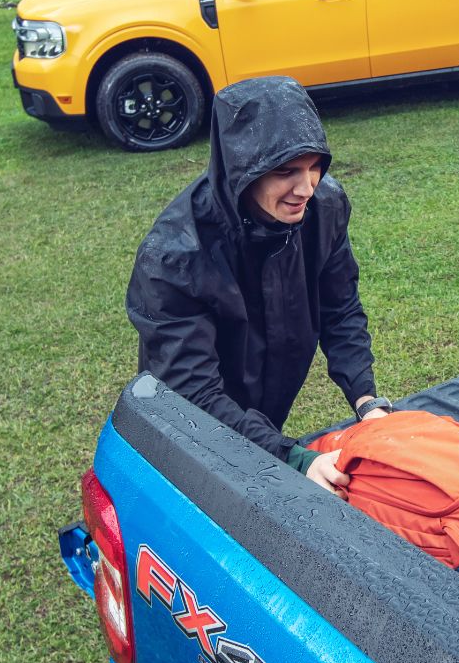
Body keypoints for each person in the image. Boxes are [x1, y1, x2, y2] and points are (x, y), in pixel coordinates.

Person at [126, 76, 391, 493]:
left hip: (265, 405)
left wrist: (366, 401)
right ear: (242, 171)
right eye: (286, 171)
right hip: (190, 428)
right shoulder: (174, 256)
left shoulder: (325, 208)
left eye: (314, 167)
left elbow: (340, 310)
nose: (305, 188)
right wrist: (293, 458)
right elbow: (193, 392)